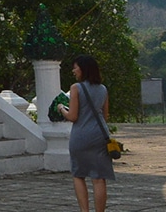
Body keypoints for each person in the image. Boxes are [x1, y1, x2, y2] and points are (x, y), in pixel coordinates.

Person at [58, 54, 115, 212]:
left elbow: (73, 116)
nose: (74, 70)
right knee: (99, 178)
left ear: (83, 69)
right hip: (100, 136)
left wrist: (62, 109)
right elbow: (105, 115)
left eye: (76, 67)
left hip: (81, 135)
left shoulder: (76, 88)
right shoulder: (103, 89)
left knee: (78, 174)